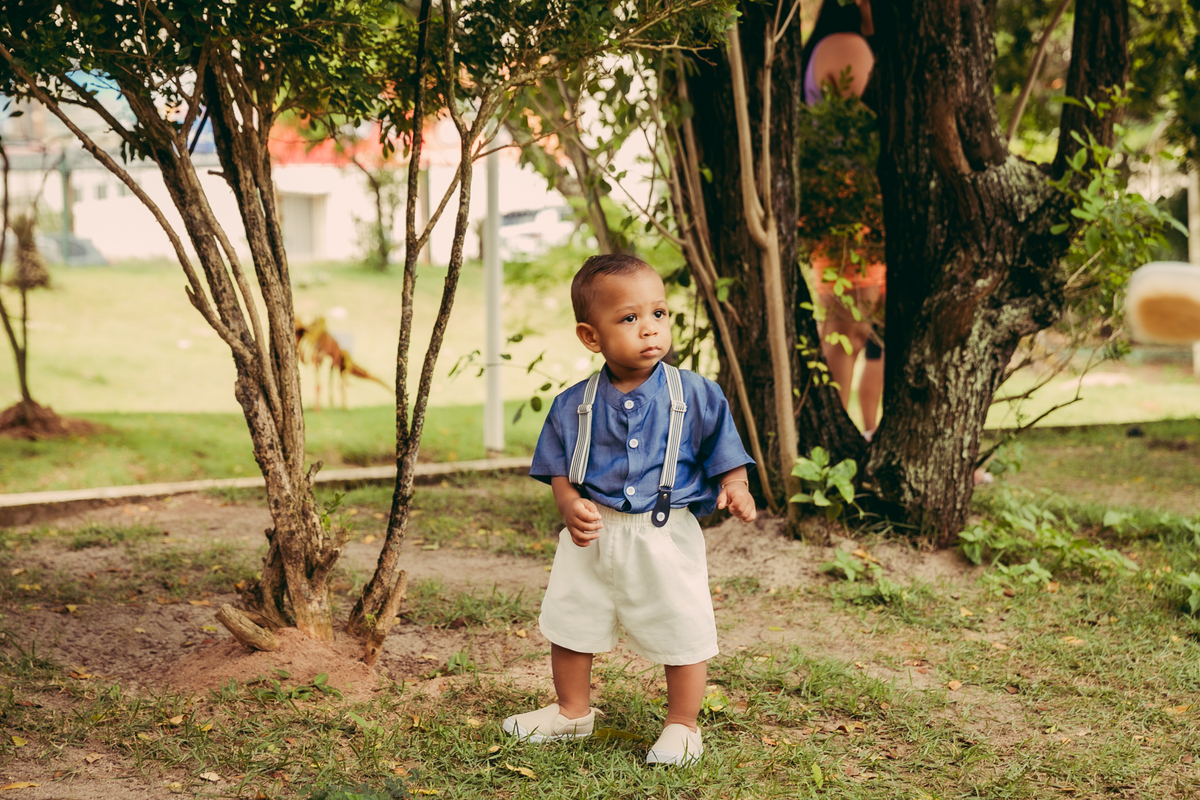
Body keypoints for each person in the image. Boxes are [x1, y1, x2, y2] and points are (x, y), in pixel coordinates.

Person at [503, 254, 757, 766]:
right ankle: (572, 712)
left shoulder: (696, 394)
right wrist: (569, 503)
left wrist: (736, 484)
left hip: (664, 534)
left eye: (659, 313)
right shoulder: (573, 404)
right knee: (571, 620)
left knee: (680, 624)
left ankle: (682, 724)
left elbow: (724, 449)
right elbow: (559, 468)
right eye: (629, 318)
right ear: (590, 336)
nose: (650, 329)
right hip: (592, 536)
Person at [801, 0, 884, 438]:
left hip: (853, 210)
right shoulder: (847, 44)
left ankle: (864, 436)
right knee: (847, 328)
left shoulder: (841, 42)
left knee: (864, 331)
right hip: (849, 210)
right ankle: (833, 444)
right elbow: (869, 129)